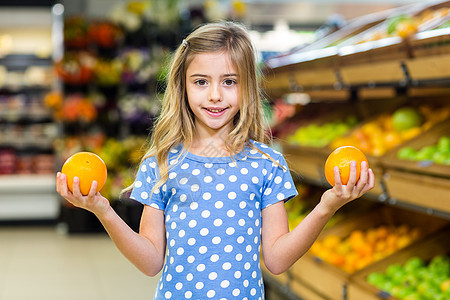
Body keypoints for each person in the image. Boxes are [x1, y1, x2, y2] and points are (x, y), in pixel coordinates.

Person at [56, 21, 375, 299]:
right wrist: (102, 210)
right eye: (201, 81)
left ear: (248, 86)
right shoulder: (162, 164)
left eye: (229, 81)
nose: (215, 95)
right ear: (182, 87)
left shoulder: (267, 164)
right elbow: (151, 261)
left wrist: (327, 206)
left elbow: (277, 259)